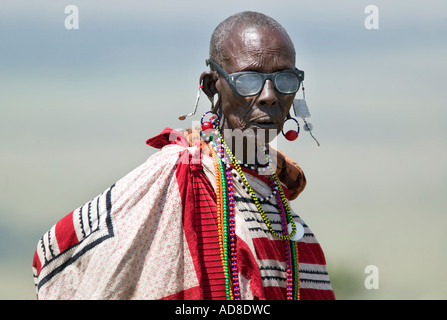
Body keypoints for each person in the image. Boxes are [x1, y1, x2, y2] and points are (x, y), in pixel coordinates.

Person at [32, 11, 335, 300]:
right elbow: (57, 253)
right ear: (211, 86)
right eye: (248, 80)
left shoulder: (284, 207)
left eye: (284, 80)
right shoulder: (175, 175)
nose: (270, 96)